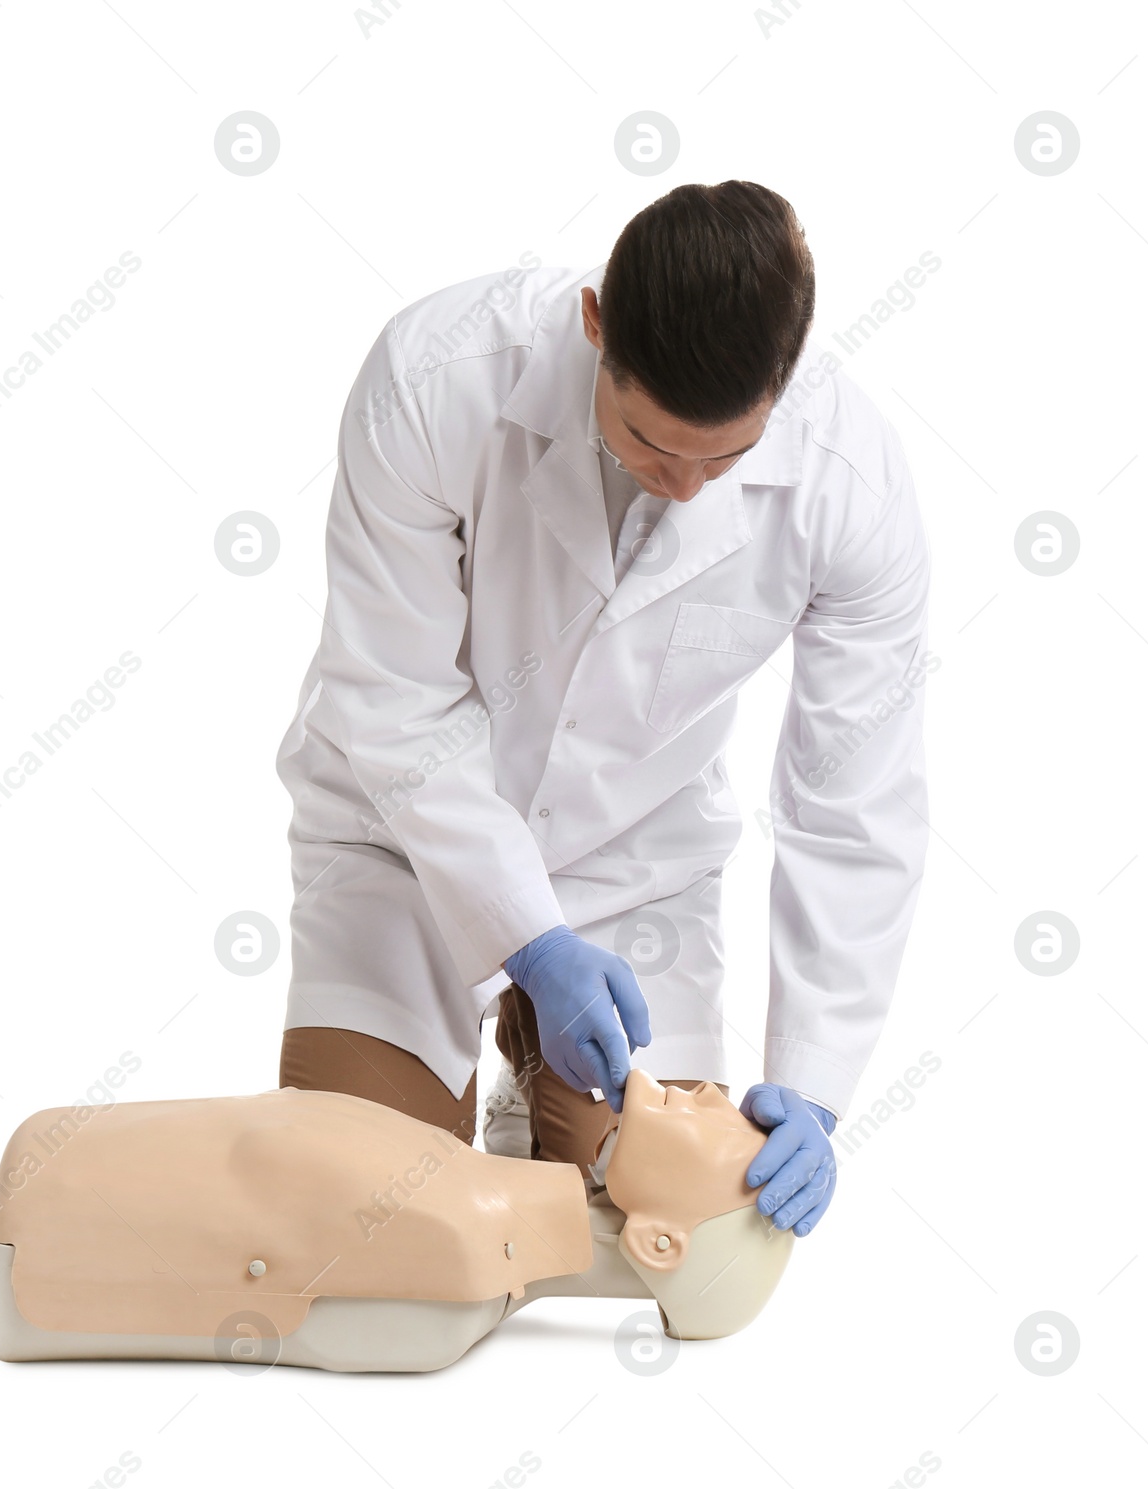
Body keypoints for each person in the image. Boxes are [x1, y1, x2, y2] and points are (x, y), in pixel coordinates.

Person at [276, 181, 932, 1239]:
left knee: (677, 1233)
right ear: (594, 327)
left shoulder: (851, 487)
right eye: (646, 440)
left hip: (637, 868)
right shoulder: (435, 378)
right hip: (398, 841)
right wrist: (528, 942)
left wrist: (811, 1084)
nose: (681, 485)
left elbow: (853, 801)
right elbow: (395, 694)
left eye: (722, 459)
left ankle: (530, 1085)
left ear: (786, 380)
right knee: (369, 1229)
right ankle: (482, 1063)